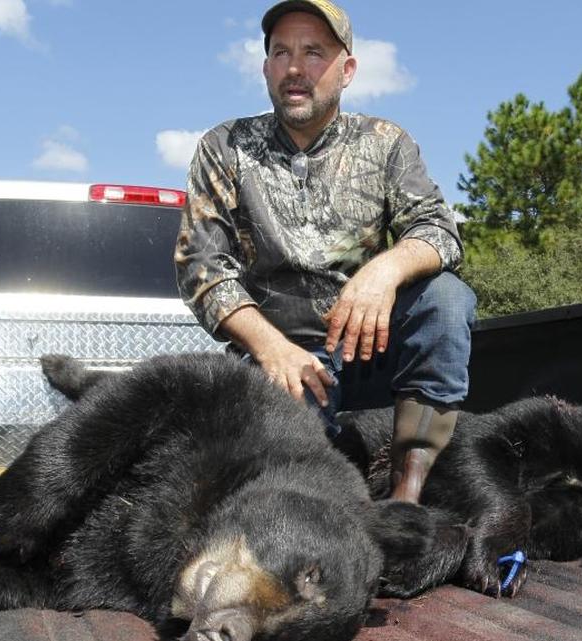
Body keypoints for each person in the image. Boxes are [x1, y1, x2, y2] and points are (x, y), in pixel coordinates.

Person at [174, 0, 476, 504]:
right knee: (291, 489)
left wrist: (386, 270)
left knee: (446, 297)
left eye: (314, 52)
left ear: (347, 69)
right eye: (281, 52)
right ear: (266, 67)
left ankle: (410, 488)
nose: (295, 68)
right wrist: (270, 349)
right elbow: (201, 266)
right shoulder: (224, 147)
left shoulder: (386, 143)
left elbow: (440, 230)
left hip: (372, 351)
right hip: (284, 360)